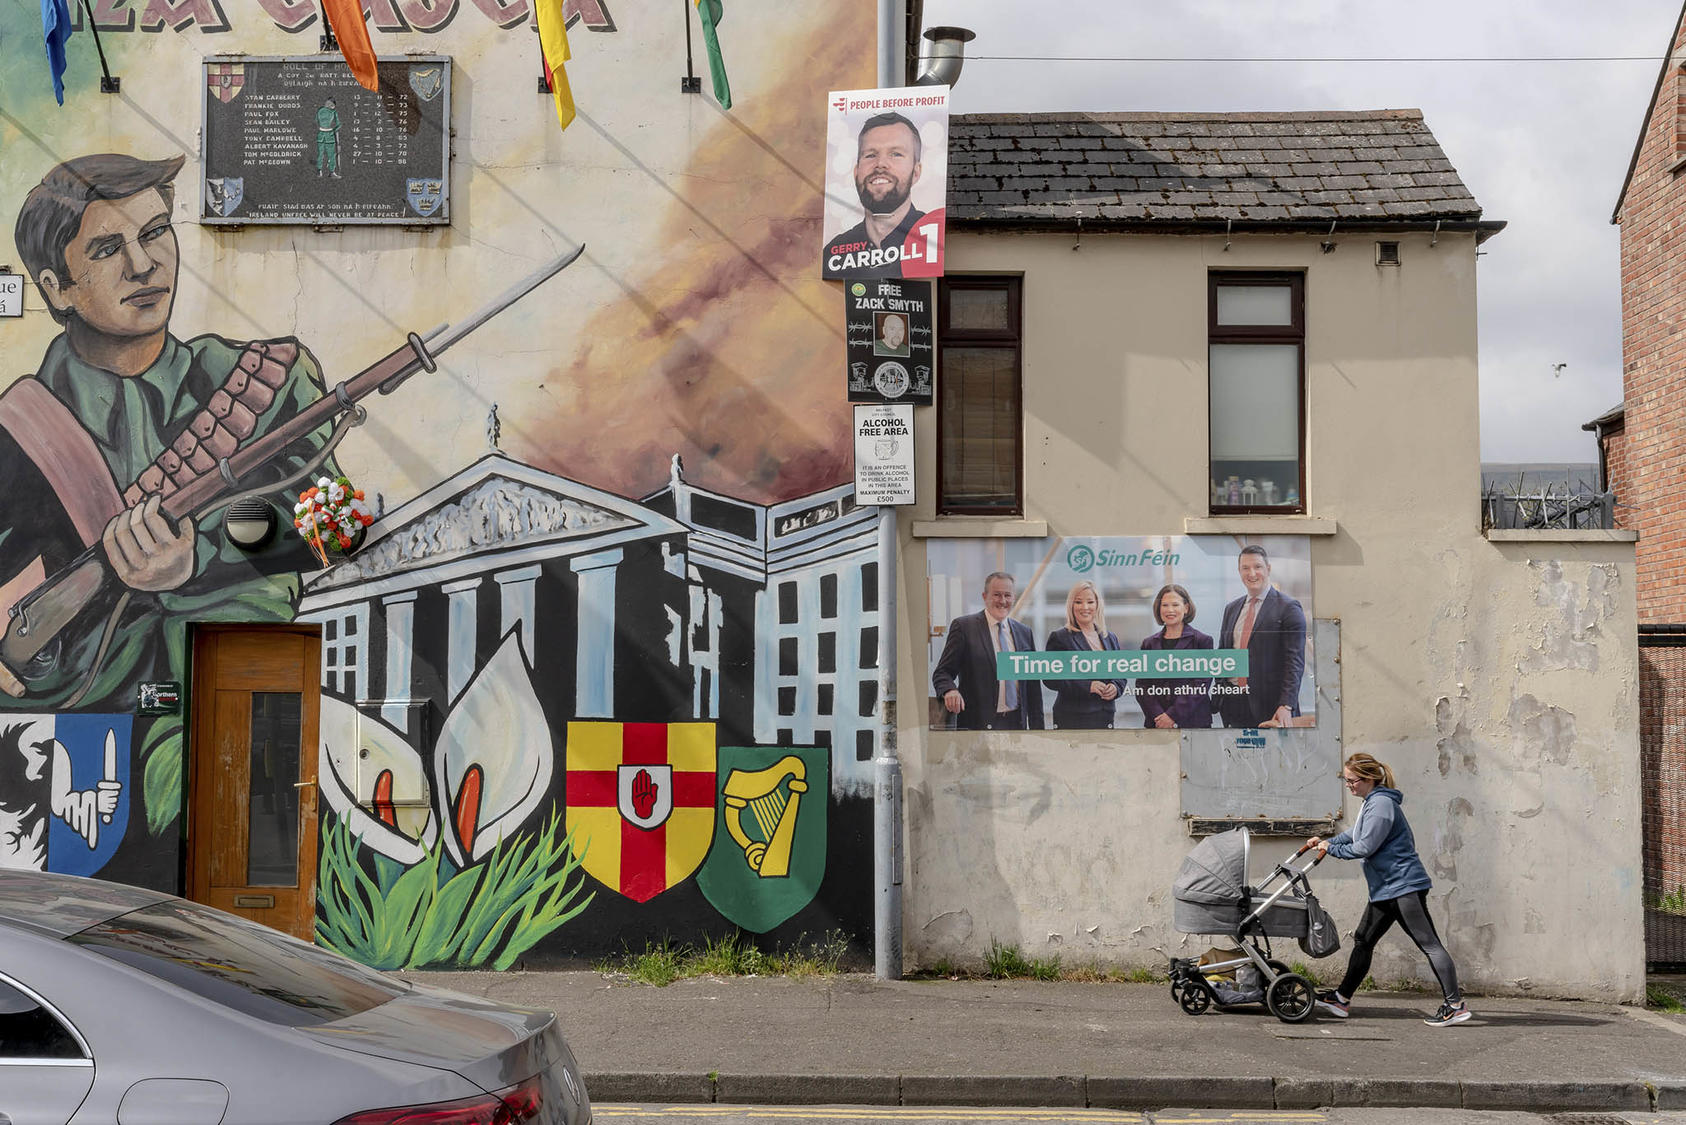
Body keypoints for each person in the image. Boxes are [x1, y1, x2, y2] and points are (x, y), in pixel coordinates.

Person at [7, 151, 337, 715]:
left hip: (237, 687)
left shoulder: (267, 380)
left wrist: (200, 558)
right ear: (56, 287)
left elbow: (338, 526)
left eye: (156, 232)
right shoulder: (18, 430)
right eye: (108, 249)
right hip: (75, 716)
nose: (144, 265)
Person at [1307, 753, 1472, 1027]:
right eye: (1345, 780)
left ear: (1369, 778)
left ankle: (1455, 1005)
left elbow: (1364, 847)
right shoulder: (1371, 802)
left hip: (1402, 886)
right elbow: (1354, 834)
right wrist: (1326, 841)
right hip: (1386, 888)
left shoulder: (1382, 804)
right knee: (1363, 940)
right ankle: (1341, 999)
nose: (1348, 785)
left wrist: (1331, 849)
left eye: (1352, 780)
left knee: (1428, 943)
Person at [932, 571, 1044, 731]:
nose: (1003, 601)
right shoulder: (964, 627)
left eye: (1007, 595)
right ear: (985, 597)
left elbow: (1033, 688)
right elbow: (942, 673)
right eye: (997, 595)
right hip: (977, 727)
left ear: (1014, 597)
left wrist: (1038, 732)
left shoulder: (1024, 632)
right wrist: (950, 690)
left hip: (1016, 725)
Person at [822, 112, 926, 280]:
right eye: (870, 155)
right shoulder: (834, 253)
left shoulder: (930, 241)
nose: (880, 164)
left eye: (896, 154)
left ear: (916, 172)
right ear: (856, 172)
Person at [1216, 544, 1307, 728]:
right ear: (1239, 572)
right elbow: (1223, 654)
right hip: (1234, 704)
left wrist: (1286, 705)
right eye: (1245, 568)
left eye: (1257, 567)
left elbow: (1294, 662)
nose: (1252, 573)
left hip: (1272, 707)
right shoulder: (1231, 609)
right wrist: (1221, 693)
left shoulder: (1289, 608)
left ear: (1268, 569)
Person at [1041, 580, 1126, 729]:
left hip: (1105, 715)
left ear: (1097, 605)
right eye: (1078, 602)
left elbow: (1120, 672)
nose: (1085, 607)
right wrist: (1088, 686)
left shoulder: (1109, 637)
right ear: (1071, 606)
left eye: (1090, 602)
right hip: (1072, 717)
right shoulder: (1060, 637)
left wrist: (1115, 686)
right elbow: (1051, 679)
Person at [1135, 583, 1214, 729]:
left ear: (1186, 608)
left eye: (1175, 605)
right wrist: (1159, 716)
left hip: (1194, 722)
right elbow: (1142, 686)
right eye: (1165, 605)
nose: (1170, 610)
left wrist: (1172, 715)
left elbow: (1200, 685)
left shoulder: (1202, 641)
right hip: (1157, 723)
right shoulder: (1149, 644)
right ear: (1159, 609)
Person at [316, 97, 342, 178]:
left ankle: (329, 172)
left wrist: (333, 130)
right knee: (324, 154)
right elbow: (338, 124)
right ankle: (323, 171)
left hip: (324, 134)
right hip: (326, 135)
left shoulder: (321, 111)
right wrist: (334, 130)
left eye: (330, 104)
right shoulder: (327, 111)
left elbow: (316, 121)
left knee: (328, 154)